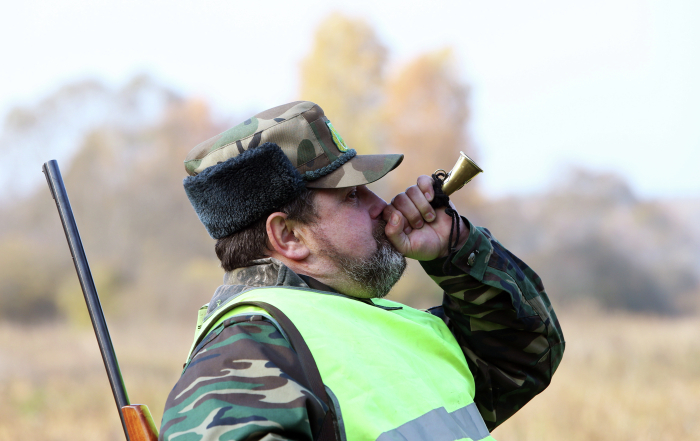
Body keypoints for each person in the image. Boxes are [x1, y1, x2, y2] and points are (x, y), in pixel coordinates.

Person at [159, 101, 564, 441]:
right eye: (352, 195)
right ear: (288, 236)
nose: (383, 207)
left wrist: (456, 248)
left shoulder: (372, 321)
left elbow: (524, 354)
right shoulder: (243, 356)